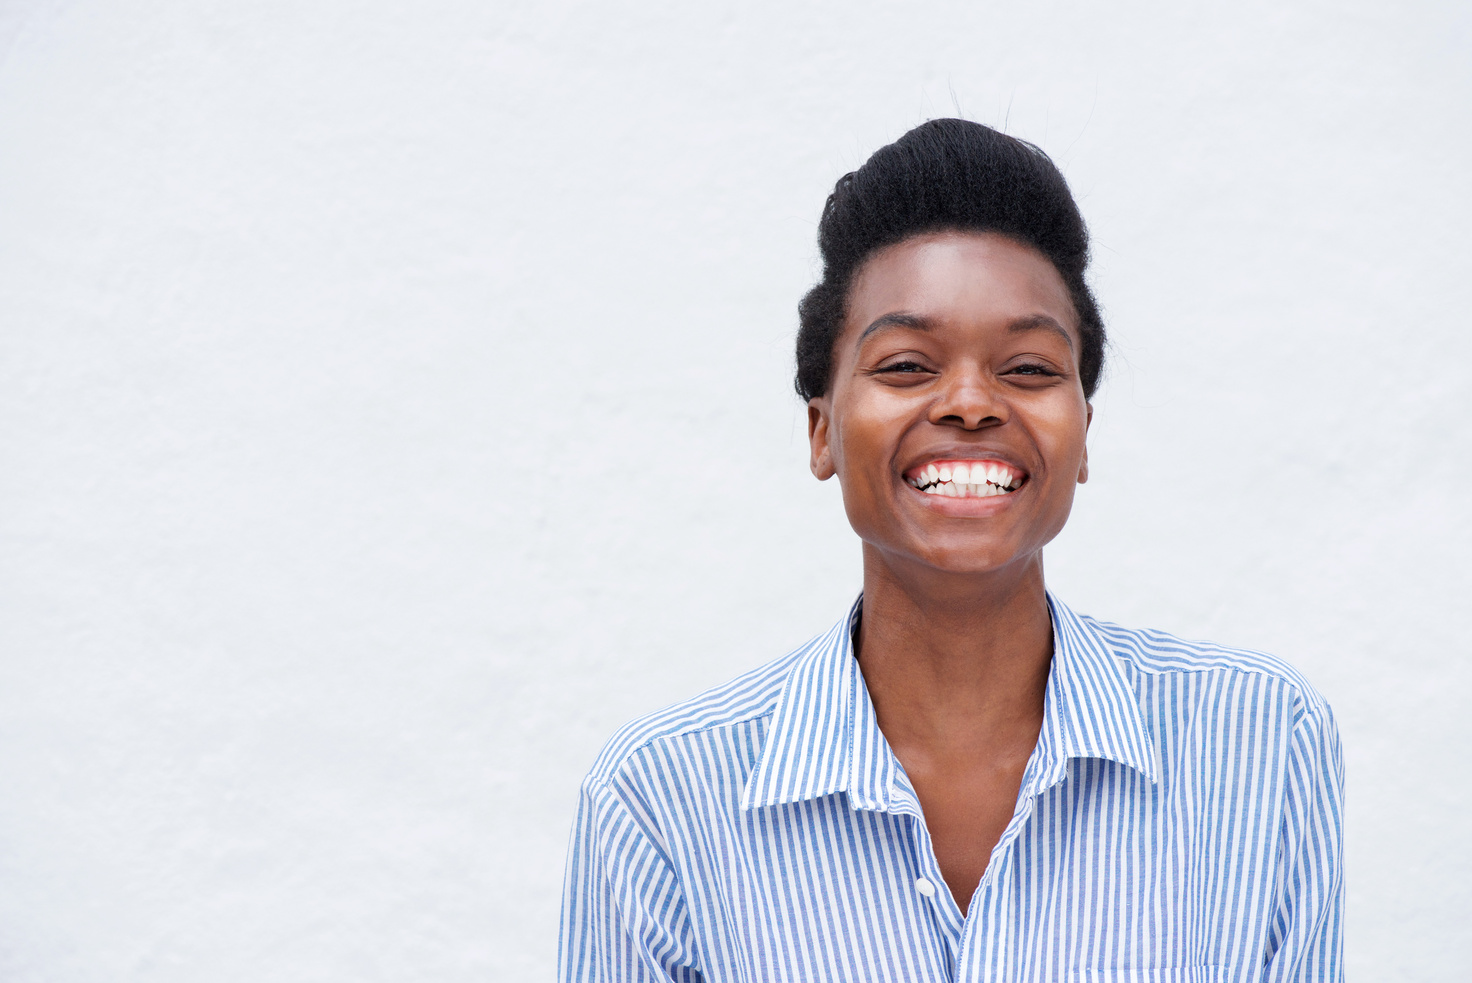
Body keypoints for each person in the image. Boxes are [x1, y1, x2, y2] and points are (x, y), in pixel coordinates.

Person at [557, 119, 1343, 982]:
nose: (971, 402)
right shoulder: (660, 803)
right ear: (822, 430)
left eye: (1031, 369)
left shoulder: (1263, 745)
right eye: (905, 365)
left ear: (1083, 436)